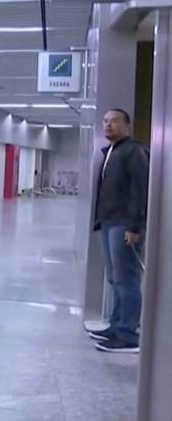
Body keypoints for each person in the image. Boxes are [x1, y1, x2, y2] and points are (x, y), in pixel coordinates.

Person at [88, 108, 149, 353]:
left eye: (114, 121)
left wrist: (134, 226)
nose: (108, 125)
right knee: (115, 279)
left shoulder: (134, 151)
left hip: (125, 224)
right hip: (109, 222)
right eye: (105, 121)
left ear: (127, 126)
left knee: (127, 279)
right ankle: (116, 326)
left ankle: (128, 334)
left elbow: (140, 191)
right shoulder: (111, 152)